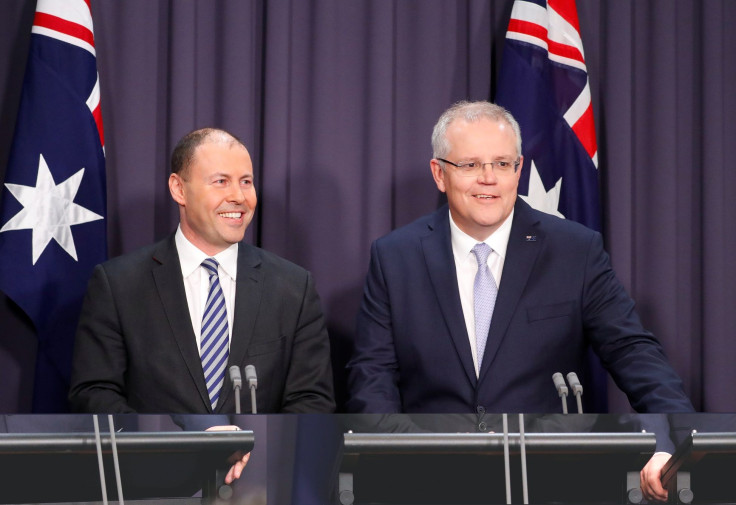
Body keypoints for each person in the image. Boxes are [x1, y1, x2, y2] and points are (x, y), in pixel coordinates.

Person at [346, 101, 694, 500]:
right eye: (471, 165)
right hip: (428, 478)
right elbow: (372, 376)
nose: (489, 179)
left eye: (502, 164)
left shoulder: (573, 251)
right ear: (439, 174)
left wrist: (668, 440)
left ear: (519, 169)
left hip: (550, 477)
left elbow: (633, 351)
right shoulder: (396, 256)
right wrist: (414, 454)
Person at [69, 128, 335, 415]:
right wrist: (170, 446)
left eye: (246, 182)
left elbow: (312, 401)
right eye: (221, 181)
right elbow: (94, 393)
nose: (238, 196)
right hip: (155, 459)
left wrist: (255, 448)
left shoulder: (293, 288)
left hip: (260, 460)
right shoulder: (118, 285)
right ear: (179, 189)